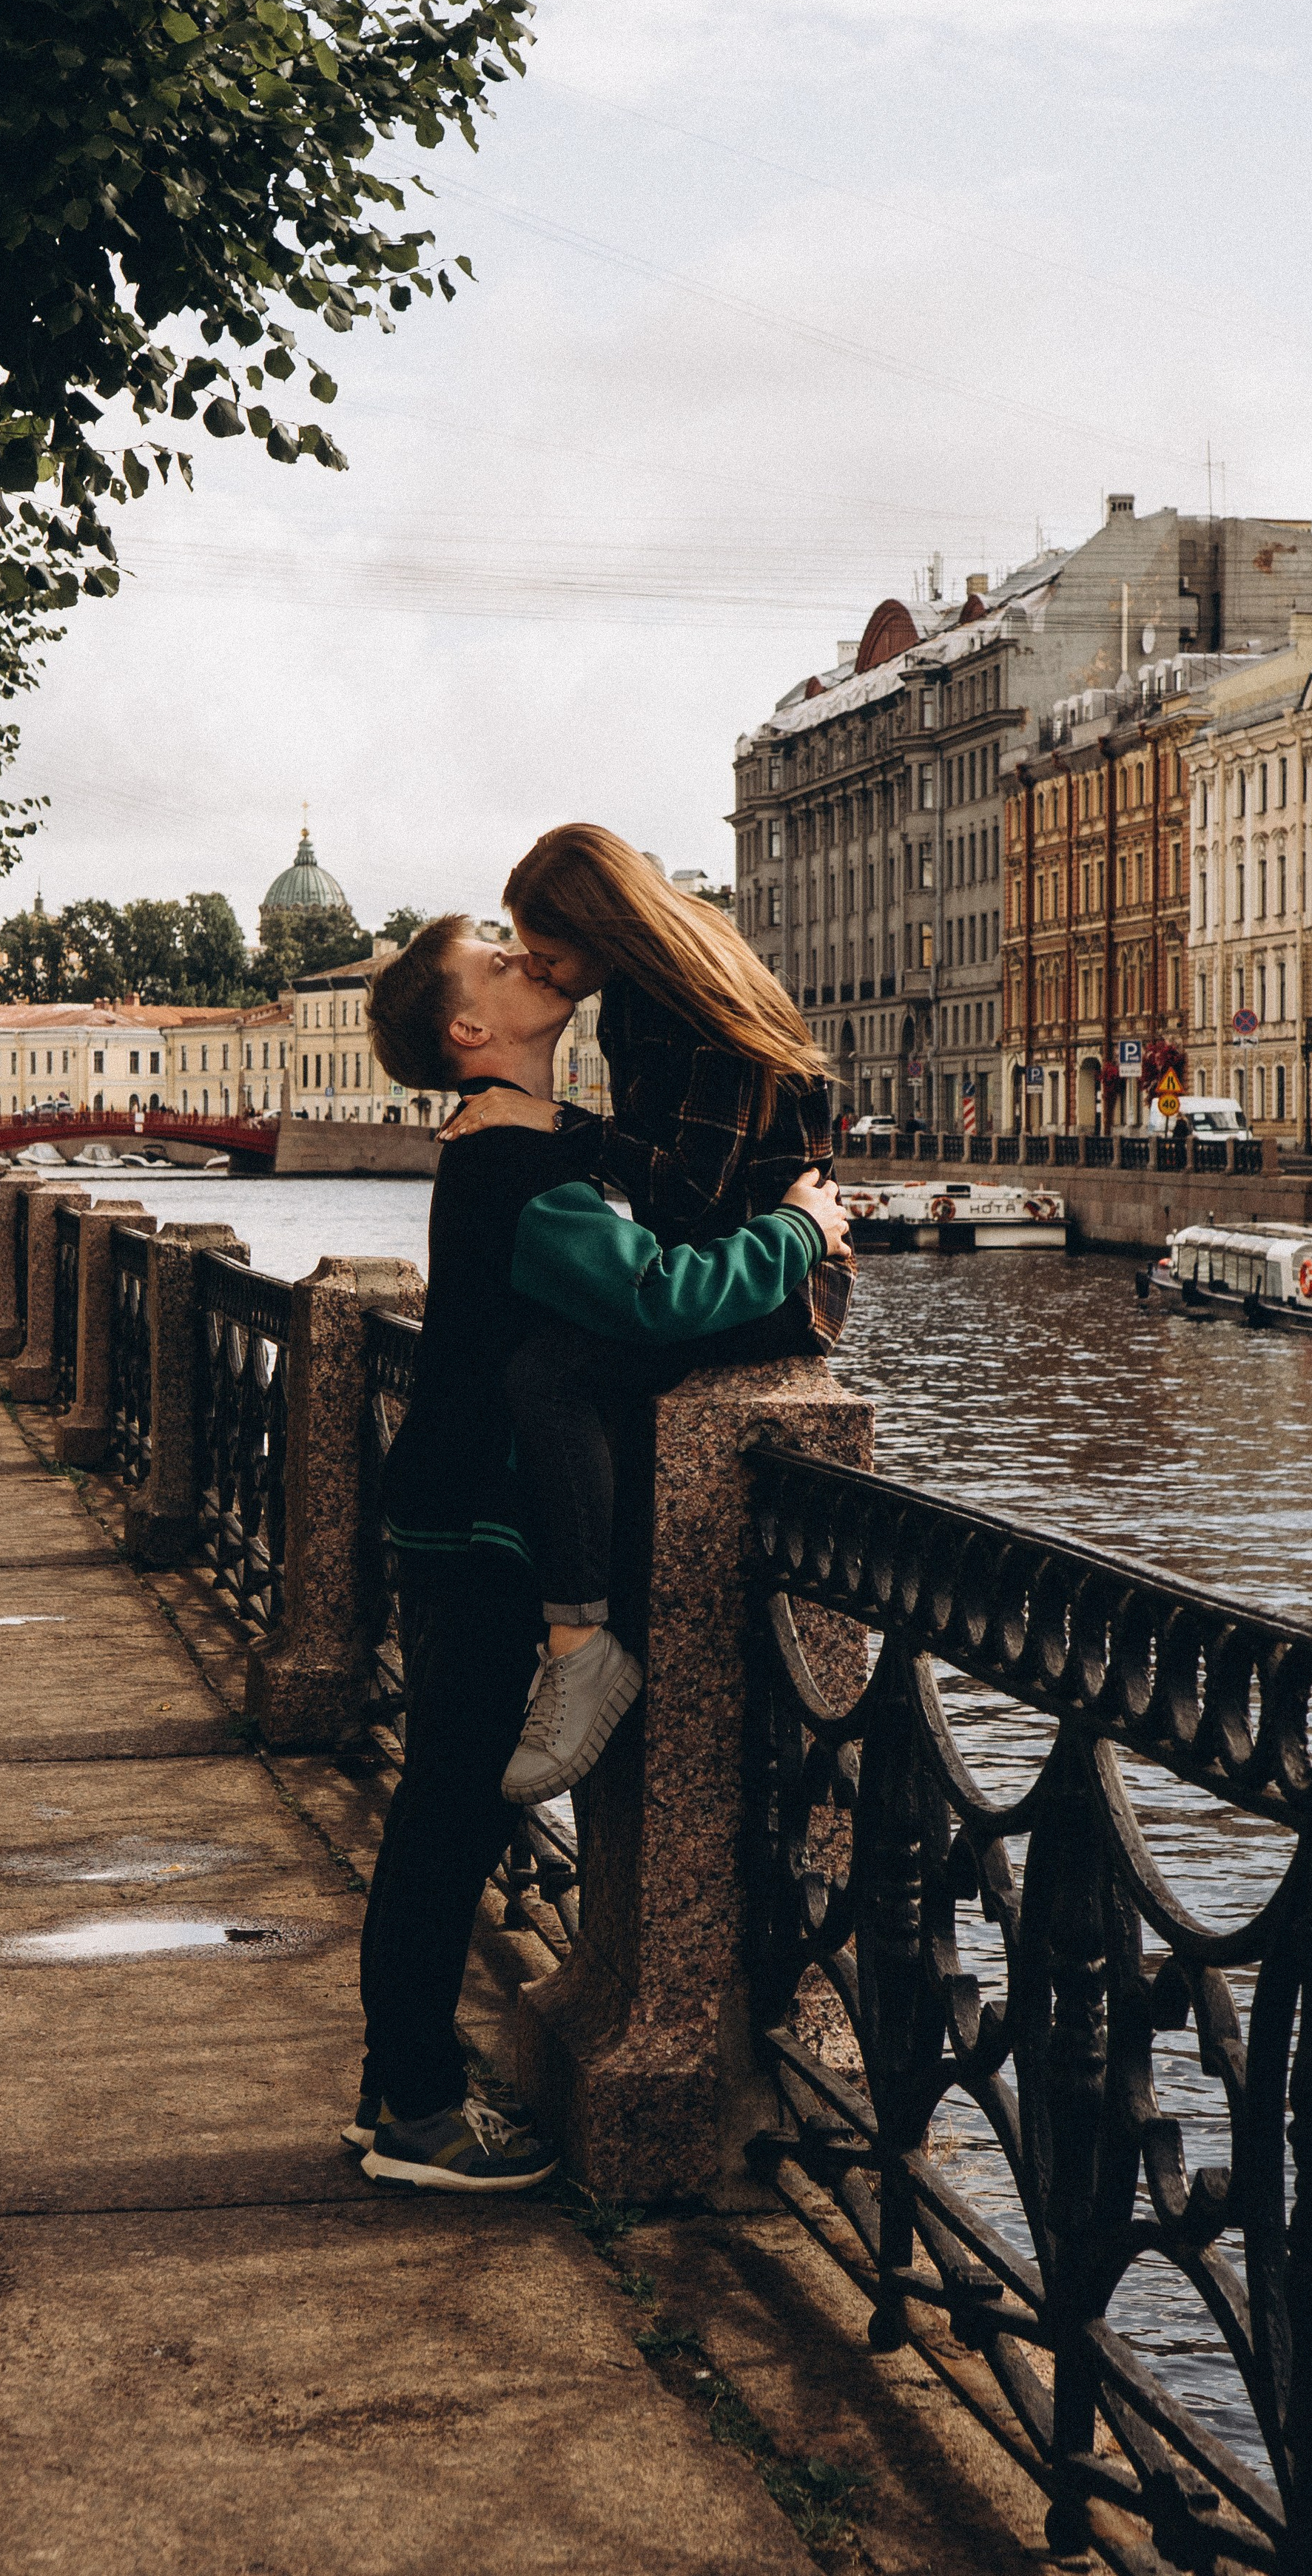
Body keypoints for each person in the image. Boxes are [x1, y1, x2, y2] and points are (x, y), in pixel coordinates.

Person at [353, 917, 850, 2194]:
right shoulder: (517, 1168)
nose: (527, 958)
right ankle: (416, 2111)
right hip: (479, 1527)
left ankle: (396, 2086)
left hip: (450, 1510)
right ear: (470, 1030)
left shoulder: (513, 1142)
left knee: (441, 1808)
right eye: (496, 957)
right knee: (451, 1818)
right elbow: (655, 1297)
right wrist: (798, 1231)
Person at [437, 826, 849, 1802]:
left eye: (549, 953)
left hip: (776, 1285)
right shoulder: (631, 996)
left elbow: (693, 1191)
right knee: (556, 1356)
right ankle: (581, 1630)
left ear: (603, 931)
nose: (539, 970)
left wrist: (554, 1124)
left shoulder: (700, 1001)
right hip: (717, 1268)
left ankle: (581, 1647)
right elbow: (669, 1194)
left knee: (550, 1372)